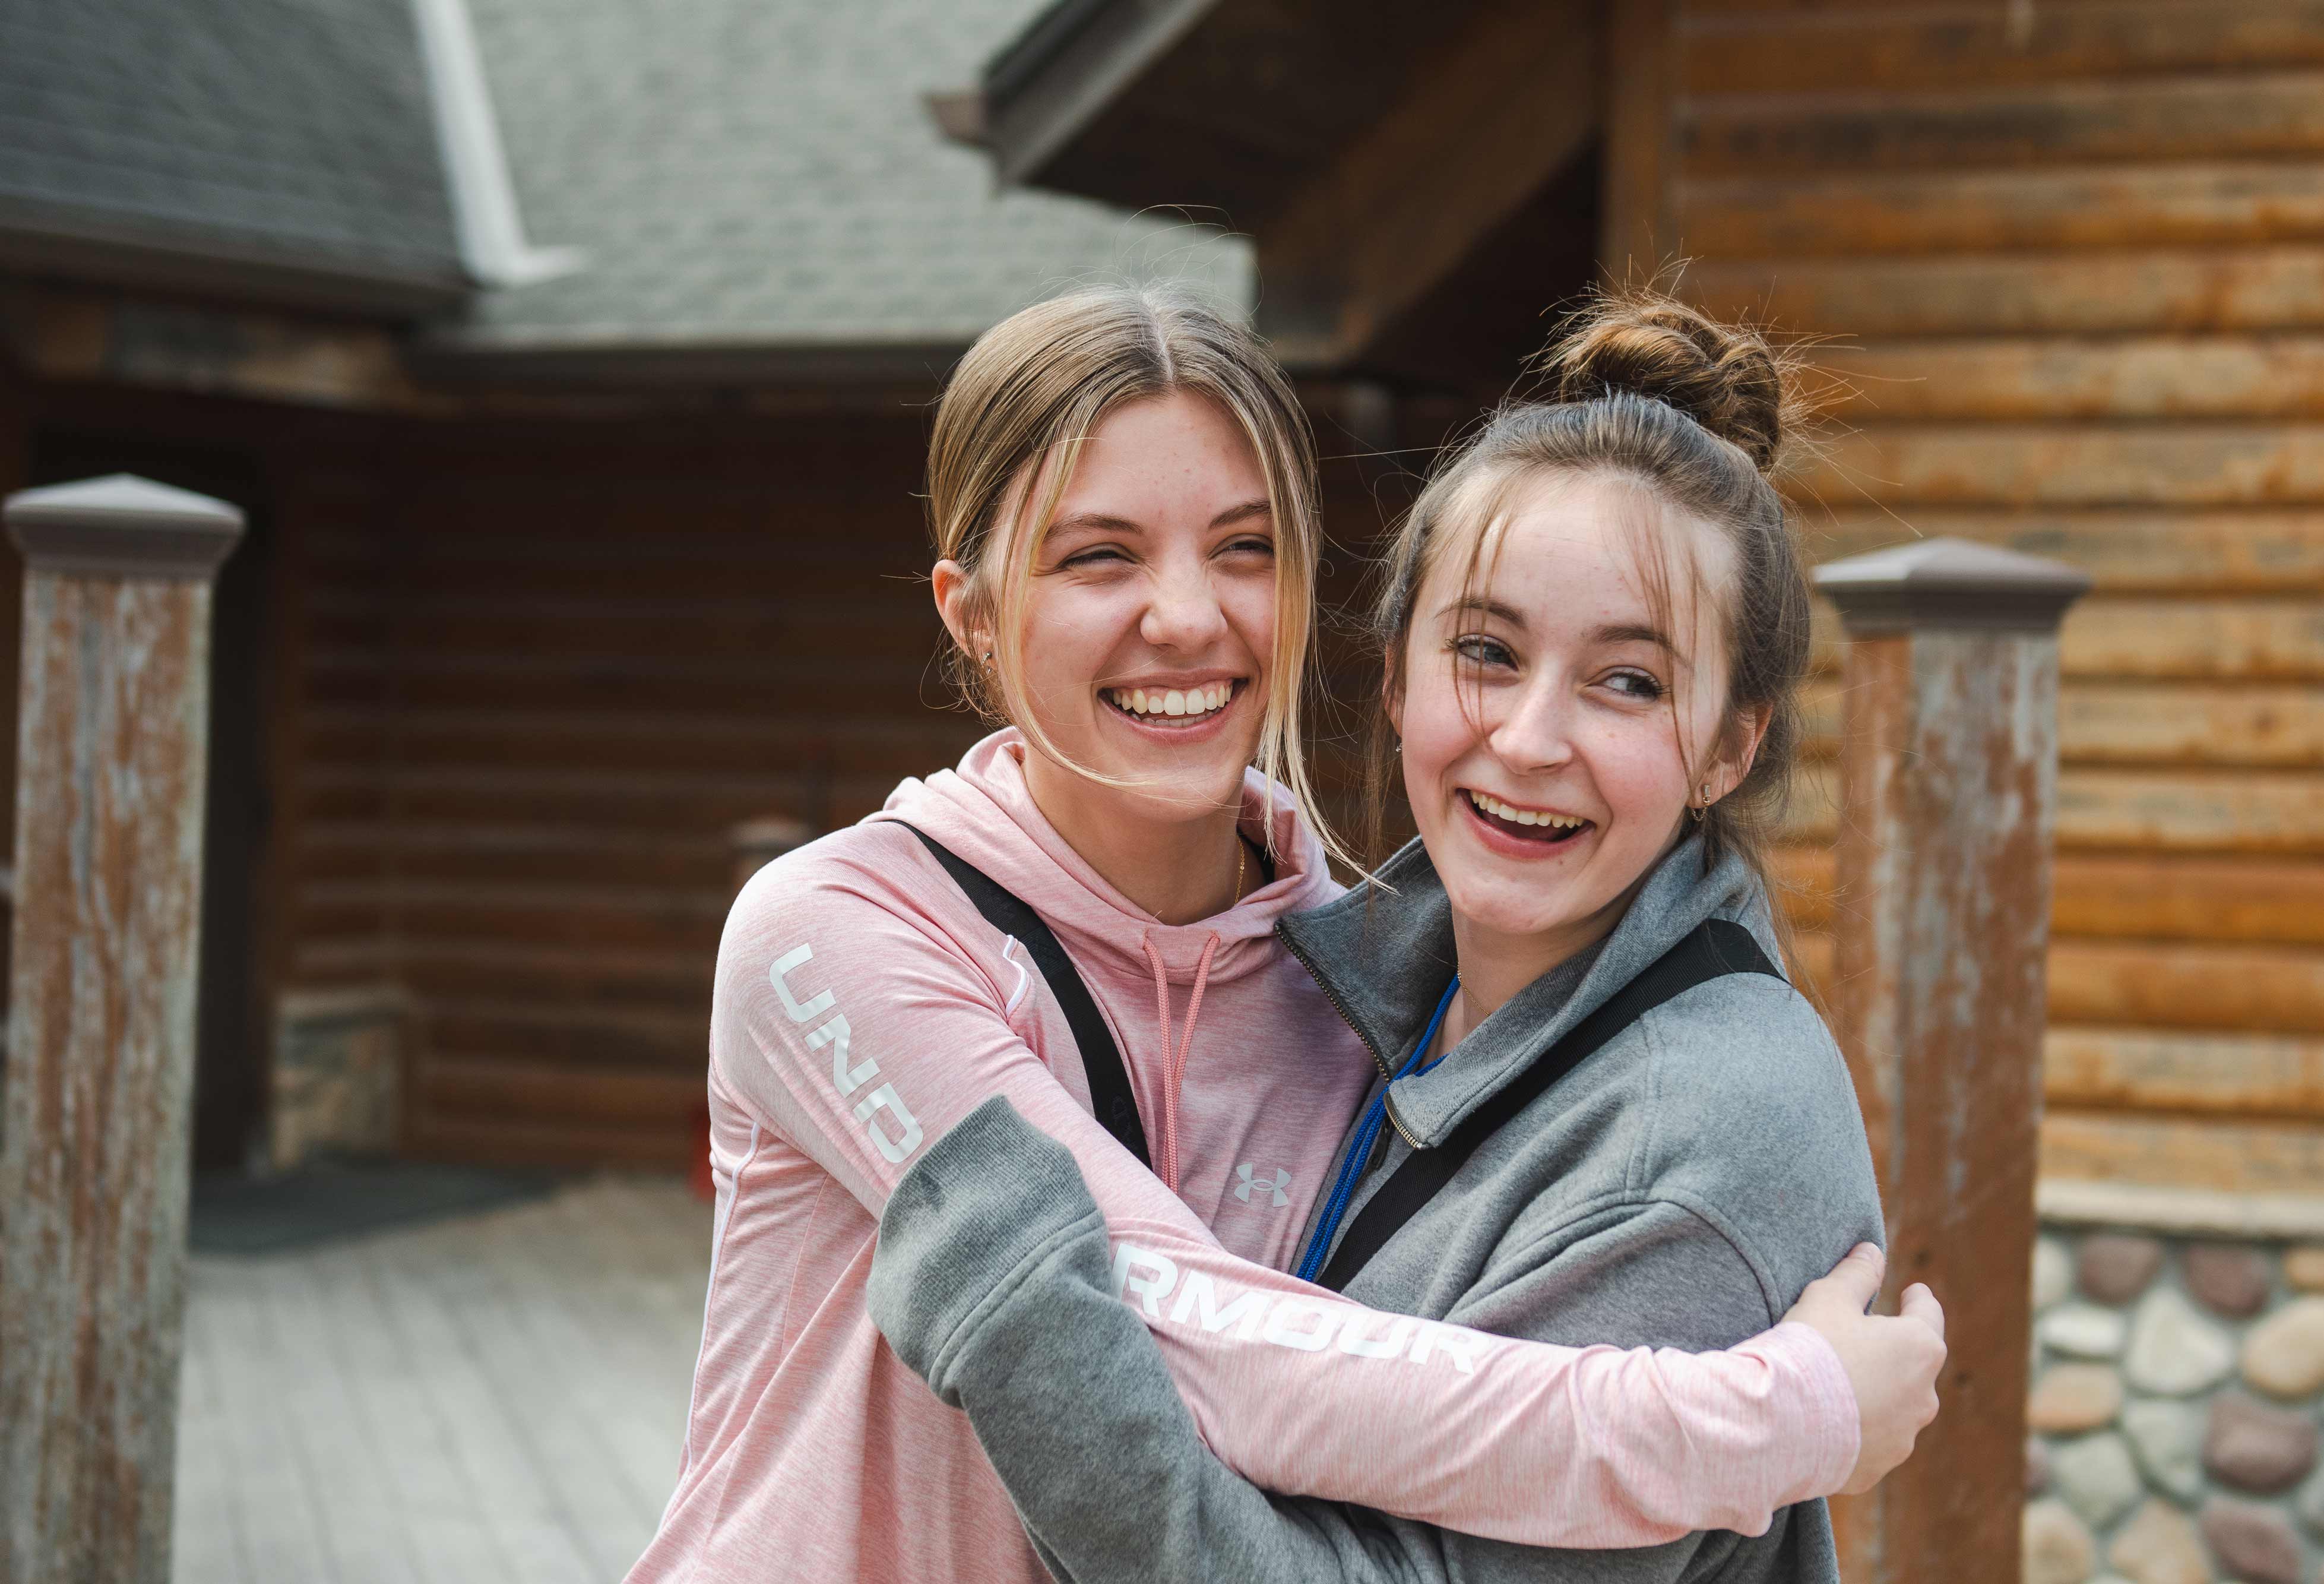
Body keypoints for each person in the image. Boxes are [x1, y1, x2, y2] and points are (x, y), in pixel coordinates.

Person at [626, 286, 1943, 1583]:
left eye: (1244, 547)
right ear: (971, 611)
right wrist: (1767, 1420)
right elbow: (1200, 1346)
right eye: (1101, 554)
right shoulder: (841, 931)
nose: (1188, 615)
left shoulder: (1347, 981)